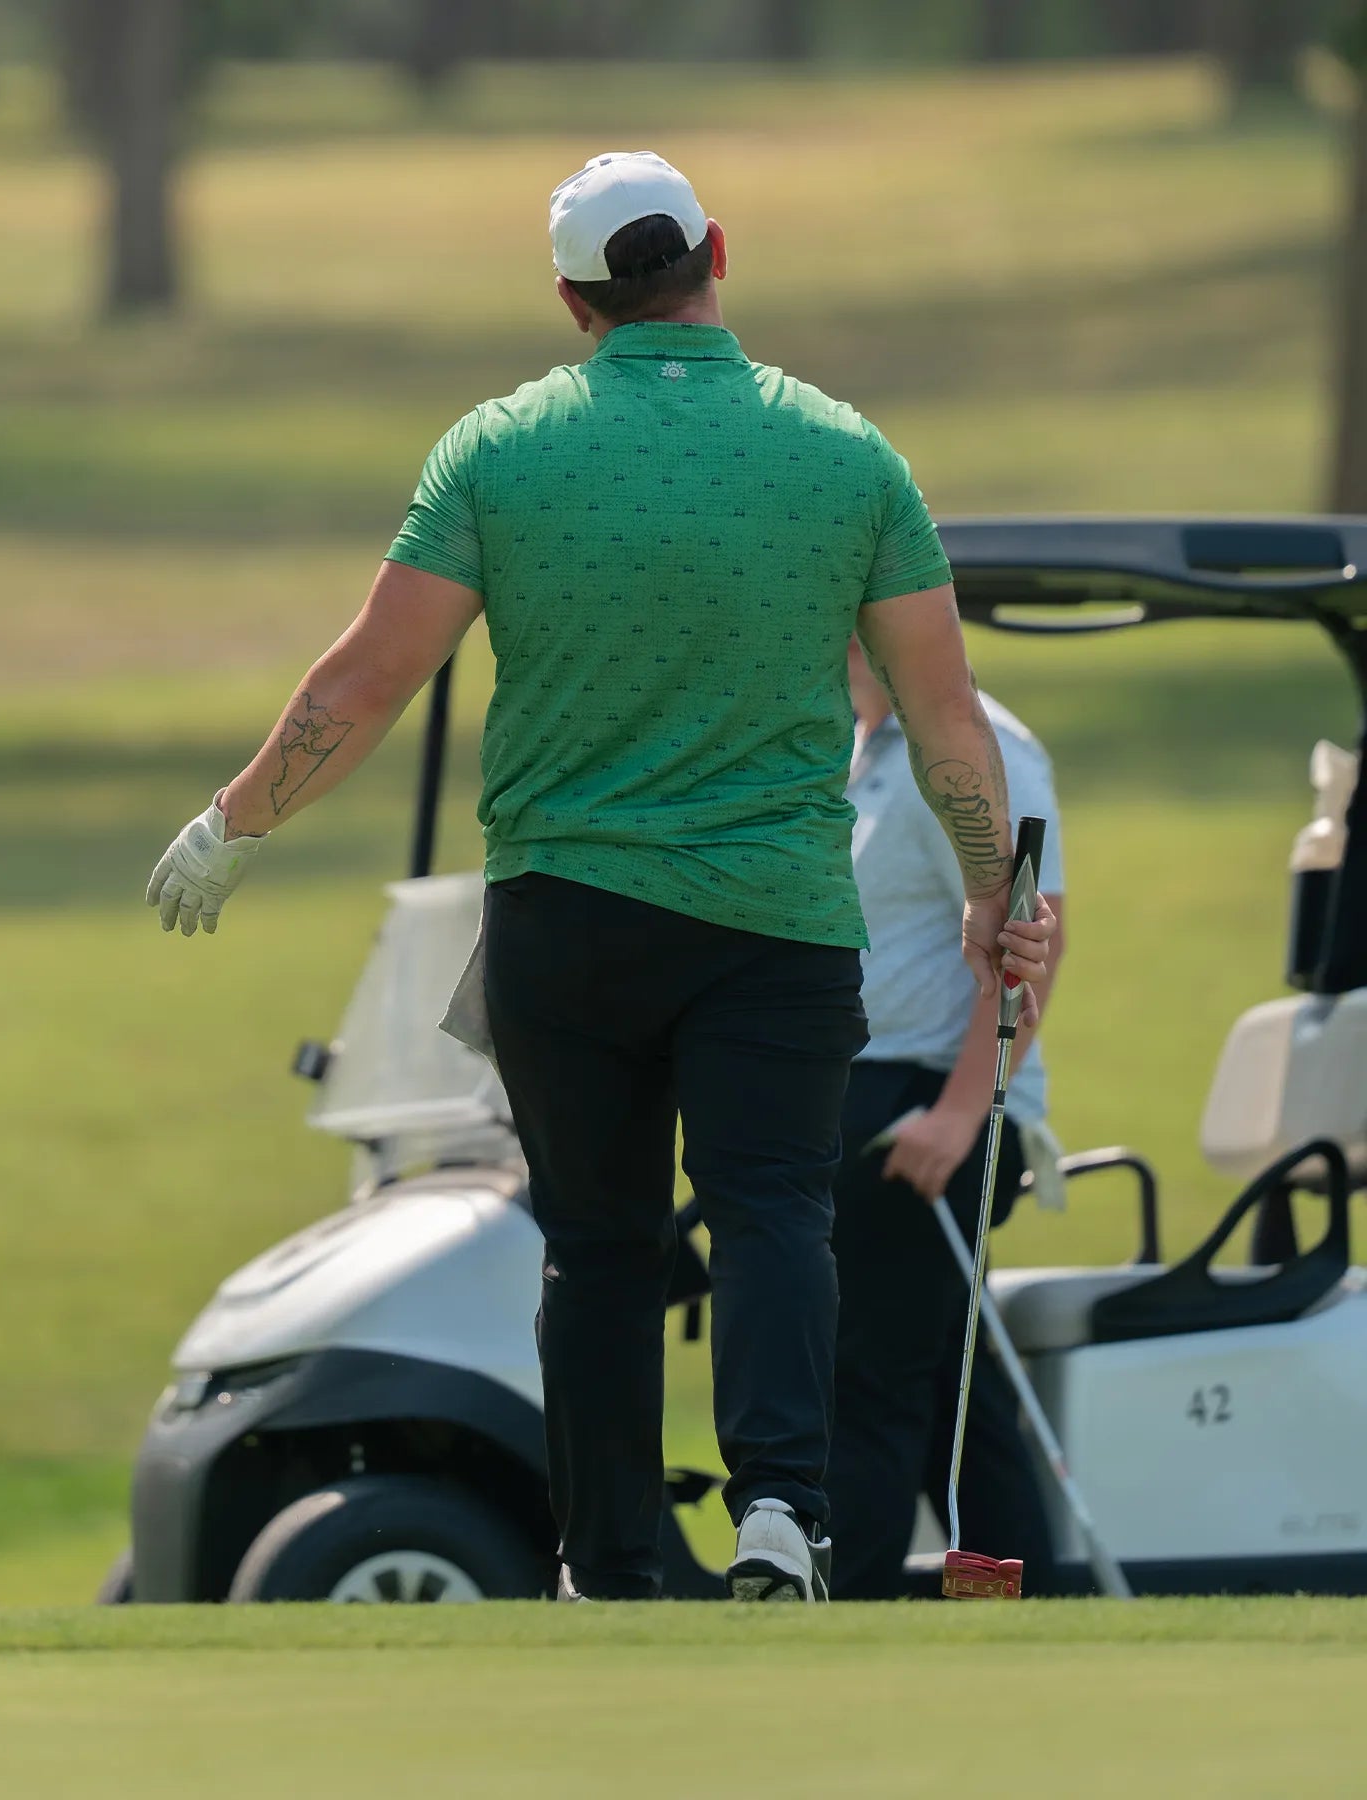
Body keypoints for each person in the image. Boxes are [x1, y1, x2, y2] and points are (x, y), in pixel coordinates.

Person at [146, 151, 1054, 1603]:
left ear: (572, 299)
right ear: (718, 253)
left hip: (567, 922)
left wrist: (233, 823)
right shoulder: (846, 453)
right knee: (773, 1214)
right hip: (777, 921)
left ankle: (613, 1553)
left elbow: (372, 679)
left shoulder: (498, 450)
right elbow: (944, 712)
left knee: (599, 1244)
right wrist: (994, 889)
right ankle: (780, 1513)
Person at [825, 638, 1066, 1598]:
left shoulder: (977, 750)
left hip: (932, 1107)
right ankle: (1016, 1607)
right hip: (866, 1100)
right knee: (950, 1393)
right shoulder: (862, 747)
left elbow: (1029, 941)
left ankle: (845, 1617)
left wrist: (962, 1115)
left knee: (872, 1377)